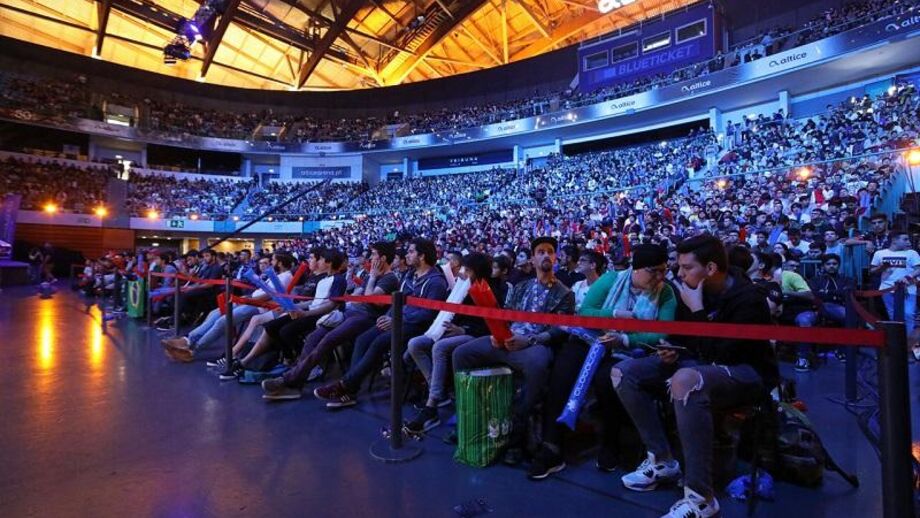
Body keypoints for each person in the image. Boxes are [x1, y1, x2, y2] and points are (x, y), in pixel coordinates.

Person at [612, 234, 776, 518]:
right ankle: (662, 460)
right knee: (623, 373)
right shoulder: (688, 291)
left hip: (746, 373)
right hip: (698, 362)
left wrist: (698, 310)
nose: (679, 273)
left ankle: (701, 498)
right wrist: (671, 350)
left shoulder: (749, 299)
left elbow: (722, 354)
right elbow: (685, 339)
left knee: (686, 380)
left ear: (710, 268)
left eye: (687, 267)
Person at [529, 244, 677, 480]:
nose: (660, 277)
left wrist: (625, 339)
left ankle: (611, 443)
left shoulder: (666, 293)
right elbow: (587, 311)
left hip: (630, 350)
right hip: (591, 339)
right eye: (653, 271)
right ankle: (551, 446)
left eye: (664, 270)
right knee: (563, 372)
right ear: (636, 269)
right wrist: (615, 315)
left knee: (607, 379)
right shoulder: (611, 280)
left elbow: (661, 333)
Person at [452, 236, 575, 465]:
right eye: (540, 252)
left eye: (550, 251)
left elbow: (561, 329)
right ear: (532, 259)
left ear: (555, 258)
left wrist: (529, 340)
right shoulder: (521, 287)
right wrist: (497, 333)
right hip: (507, 339)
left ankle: (516, 436)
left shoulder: (564, 293)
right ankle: (472, 417)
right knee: (461, 354)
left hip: (535, 344)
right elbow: (505, 315)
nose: (546, 255)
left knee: (537, 365)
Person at [313, 238, 448, 408]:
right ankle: (350, 390)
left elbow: (428, 314)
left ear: (422, 256)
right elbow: (397, 301)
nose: (406, 255)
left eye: (411, 252)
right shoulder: (409, 276)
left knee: (378, 343)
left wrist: (396, 319)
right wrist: (388, 316)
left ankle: (345, 386)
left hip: (416, 326)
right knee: (363, 339)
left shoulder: (436, 281)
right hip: (397, 320)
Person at [261, 242, 402, 400]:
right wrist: (362, 288)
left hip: (366, 318)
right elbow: (357, 294)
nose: (370, 257)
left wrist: (372, 278)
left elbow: (372, 298)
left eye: (374, 254)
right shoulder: (371, 276)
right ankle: (294, 382)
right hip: (350, 312)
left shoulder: (389, 278)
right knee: (313, 338)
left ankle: (290, 381)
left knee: (329, 339)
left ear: (383, 258)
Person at [403, 252, 507, 433]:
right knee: (415, 344)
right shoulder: (461, 287)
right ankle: (438, 390)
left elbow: (489, 326)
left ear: (477, 271)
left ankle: (431, 406)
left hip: (474, 335)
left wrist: (463, 330)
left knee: (439, 347)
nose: (462, 273)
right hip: (450, 330)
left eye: (467, 270)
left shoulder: (489, 290)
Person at [162, 253, 295, 362]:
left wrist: (247, 300)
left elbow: (269, 295)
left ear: (280, 263)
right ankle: (188, 340)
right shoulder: (278, 275)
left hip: (259, 306)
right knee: (216, 313)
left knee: (223, 321)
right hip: (250, 300)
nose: (271, 263)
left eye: (273, 260)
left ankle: (193, 350)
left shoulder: (286, 276)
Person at [794, 253, 855, 371]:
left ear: (839, 265)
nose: (831, 266)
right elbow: (812, 294)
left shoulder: (847, 280)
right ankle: (803, 357)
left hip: (837, 308)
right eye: (828, 264)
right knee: (803, 319)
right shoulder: (815, 280)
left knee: (848, 315)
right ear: (823, 266)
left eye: (834, 264)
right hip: (815, 309)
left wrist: (825, 293)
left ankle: (842, 350)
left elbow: (847, 293)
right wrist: (834, 294)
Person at [870, 231, 920, 342]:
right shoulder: (879, 253)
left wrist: (908, 277)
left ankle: (908, 342)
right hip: (887, 288)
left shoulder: (912, 253)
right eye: (905, 239)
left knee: (908, 314)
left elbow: (919, 269)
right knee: (893, 315)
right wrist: (881, 268)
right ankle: (898, 343)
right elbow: (872, 271)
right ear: (894, 240)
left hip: (908, 288)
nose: (908, 242)